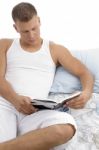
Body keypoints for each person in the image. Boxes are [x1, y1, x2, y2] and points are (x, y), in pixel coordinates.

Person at [0, 2, 94, 150]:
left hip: (34, 112)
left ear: (39, 21)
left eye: (34, 28)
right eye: (25, 31)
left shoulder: (55, 50)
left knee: (66, 128)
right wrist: (16, 99)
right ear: (15, 28)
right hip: (5, 105)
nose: (31, 35)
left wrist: (87, 93)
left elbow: (84, 72)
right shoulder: (5, 45)